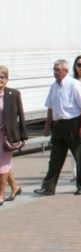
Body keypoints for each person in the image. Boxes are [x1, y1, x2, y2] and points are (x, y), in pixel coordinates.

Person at [34, 59, 81, 196]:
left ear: (65, 71)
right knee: (55, 158)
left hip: (73, 123)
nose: (55, 72)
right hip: (58, 126)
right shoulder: (54, 86)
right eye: (54, 69)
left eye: (57, 69)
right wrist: (47, 126)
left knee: (79, 156)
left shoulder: (74, 85)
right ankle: (48, 187)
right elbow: (50, 107)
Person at [0, 65, 26, 204]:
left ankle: (1, 194)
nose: (0, 80)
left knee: (2, 165)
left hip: (7, 136)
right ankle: (15, 187)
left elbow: (20, 115)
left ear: (6, 79)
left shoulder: (13, 94)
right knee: (4, 165)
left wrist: (23, 134)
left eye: (2, 77)